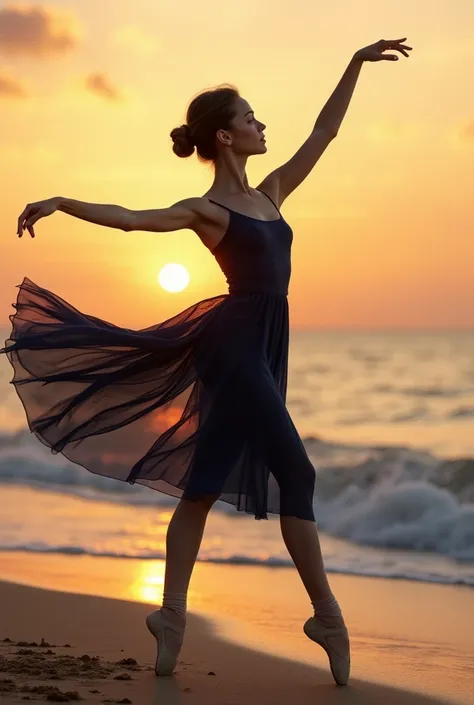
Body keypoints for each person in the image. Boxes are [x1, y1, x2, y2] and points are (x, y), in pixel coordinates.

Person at [2, 38, 412, 686]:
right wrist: (63, 200)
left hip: (265, 345)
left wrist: (355, 63)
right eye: (251, 117)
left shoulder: (273, 192)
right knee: (297, 473)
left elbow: (325, 131)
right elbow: (135, 218)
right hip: (235, 345)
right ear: (224, 136)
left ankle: (170, 617)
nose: (262, 125)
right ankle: (328, 616)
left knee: (201, 486)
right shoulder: (208, 210)